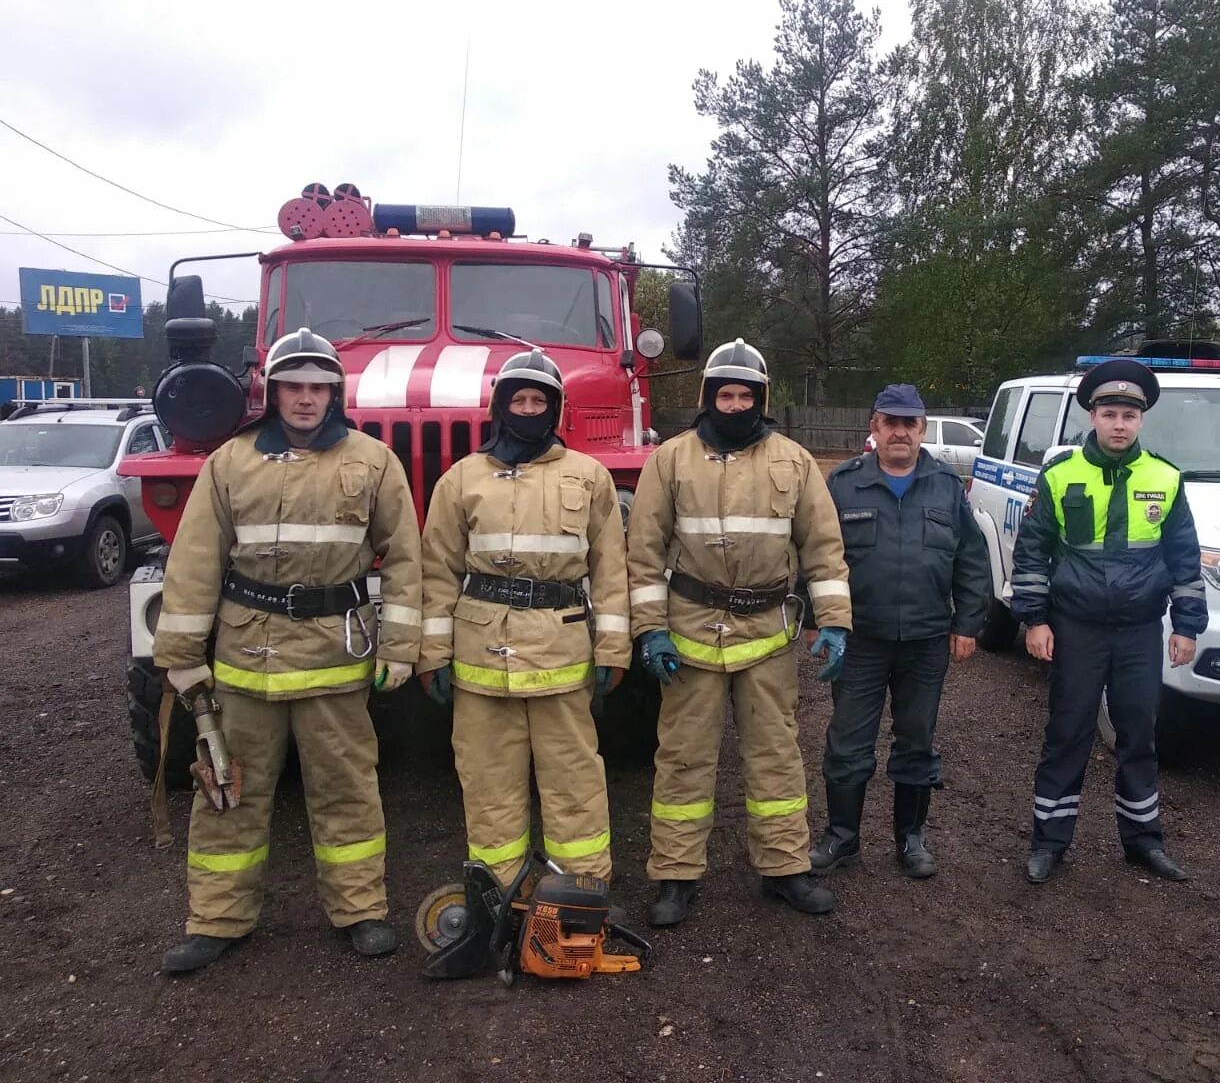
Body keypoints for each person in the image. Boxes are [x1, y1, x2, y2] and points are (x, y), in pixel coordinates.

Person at [154, 328, 423, 973]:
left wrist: (404, 643)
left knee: (347, 790)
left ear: (336, 392)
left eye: (319, 388)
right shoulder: (231, 461)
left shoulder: (373, 461)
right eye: (293, 387)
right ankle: (217, 920)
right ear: (272, 392)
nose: (306, 399)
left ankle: (361, 911)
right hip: (247, 661)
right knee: (227, 792)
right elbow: (195, 560)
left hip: (335, 656)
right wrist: (183, 652)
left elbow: (409, 555)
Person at [627, 338, 852, 926]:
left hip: (769, 635)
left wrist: (834, 623)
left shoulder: (794, 461)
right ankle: (675, 877)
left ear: (762, 398)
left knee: (777, 758)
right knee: (682, 759)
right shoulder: (669, 460)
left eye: (744, 394)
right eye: (724, 394)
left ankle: (785, 869)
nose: (734, 404)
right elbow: (643, 553)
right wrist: (650, 630)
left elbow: (824, 550)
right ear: (707, 397)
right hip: (689, 635)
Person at [416, 349, 629, 889]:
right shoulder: (461, 479)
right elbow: (437, 569)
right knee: (488, 784)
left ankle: (582, 892)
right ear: (500, 406)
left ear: (555, 409)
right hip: (480, 660)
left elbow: (610, 571)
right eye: (519, 399)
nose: (529, 409)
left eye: (540, 401)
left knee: (574, 780)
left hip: (561, 657)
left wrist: (613, 649)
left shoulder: (589, 477)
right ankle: (499, 894)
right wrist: (432, 653)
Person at [1012, 358, 1207, 885]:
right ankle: (1049, 842)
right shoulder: (1060, 475)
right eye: (1109, 413)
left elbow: (1185, 560)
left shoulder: (1166, 478)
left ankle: (1143, 842)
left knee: (1139, 733)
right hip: (1076, 627)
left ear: (1141, 420)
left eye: (1128, 414)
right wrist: (1035, 620)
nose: (1119, 423)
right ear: (1092, 416)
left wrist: (1187, 626)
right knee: (1068, 731)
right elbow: (1031, 556)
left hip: (1140, 631)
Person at [808, 383, 990, 880]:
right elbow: (817, 556)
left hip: (927, 643)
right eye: (890, 422)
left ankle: (910, 839)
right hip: (861, 640)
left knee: (916, 742)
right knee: (848, 743)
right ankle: (842, 838)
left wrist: (968, 622)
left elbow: (972, 559)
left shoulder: (946, 486)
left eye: (909, 424)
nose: (900, 433)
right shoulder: (843, 484)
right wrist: (817, 619)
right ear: (874, 428)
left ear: (922, 430)